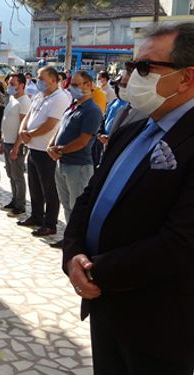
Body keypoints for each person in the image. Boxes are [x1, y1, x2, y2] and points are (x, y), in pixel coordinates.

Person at [63, 23, 194, 373]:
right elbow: (91, 194)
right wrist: (73, 252)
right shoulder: (134, 124)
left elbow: (180, 243)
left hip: (157, 322)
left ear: (186, 78)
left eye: (146, 67)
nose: (132, 76)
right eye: (132, 66)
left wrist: (96, 272)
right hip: (105, 307)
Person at [47, 71, 102, 249]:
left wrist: (61, 150)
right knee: (67, 205)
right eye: (72, 85)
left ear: (89, 85)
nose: (73, 88)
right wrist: (51, 145)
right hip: (62, 163)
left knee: (78, 207)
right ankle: (70, 238)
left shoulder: (92, 110)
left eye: (77, 85)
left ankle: (79, 243)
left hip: (78, 166)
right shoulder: (73, 106)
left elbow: (83, 140)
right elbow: (60, 128)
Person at [18, 66, 71, 237]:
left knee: (49, 188)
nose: (38, 81)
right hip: (33, 147)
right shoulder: (40, 96)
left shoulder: (60, 98)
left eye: (42, 79)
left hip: (45, 150)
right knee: (34, 185)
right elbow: (28, 115)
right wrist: (22, 130)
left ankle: (50, 223)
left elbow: (51, 123)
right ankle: (36, 215)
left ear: (54, 80)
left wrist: (30, 134)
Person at [0, 73, 31, 216]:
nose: (10, 86)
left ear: (22, 85)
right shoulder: (12, 99)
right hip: (6, 142)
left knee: (18, 175)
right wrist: (2, 141)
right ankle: (14, 200)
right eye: (9, 83)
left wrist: (17, 146)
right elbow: (6, 121)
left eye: (13, 84)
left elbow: (22, 126)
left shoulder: (24, 102)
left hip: (15, 144)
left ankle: (20, 205)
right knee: (10, 174)